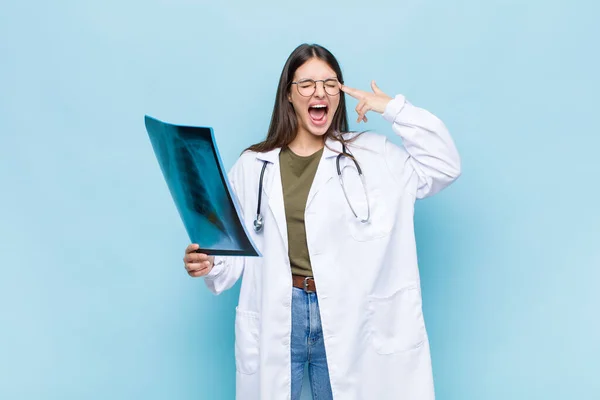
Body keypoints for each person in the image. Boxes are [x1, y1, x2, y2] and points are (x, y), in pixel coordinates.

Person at [183, 43, 461, 400]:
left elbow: (444, 166)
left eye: (331, 84)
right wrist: (206, 263)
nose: (320, 92)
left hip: (351, 313)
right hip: (282, 311)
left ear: (340, 93)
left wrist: (393, 109)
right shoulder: (253, 166)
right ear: (289, 95)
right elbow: (230, 258)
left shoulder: (373, 154)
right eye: (308, 84)